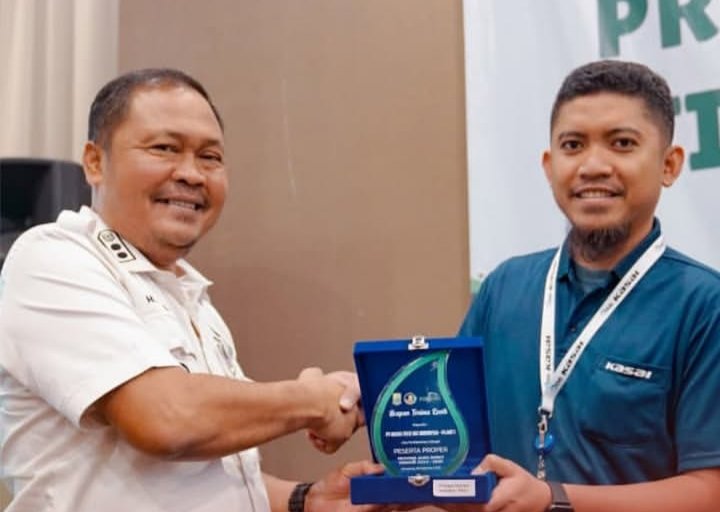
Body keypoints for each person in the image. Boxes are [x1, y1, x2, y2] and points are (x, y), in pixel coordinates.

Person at [0, 69, 384, 512]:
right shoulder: (53, 258)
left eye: (210, 157)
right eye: (164, 148)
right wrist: (312, 401)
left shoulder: (190, 294)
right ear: (94, 162)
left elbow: (204, 478)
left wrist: (305, 500)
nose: (191, 174)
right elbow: (166, 418)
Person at [452, 60, 720, 511]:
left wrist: (553, 499)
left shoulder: (705, 306)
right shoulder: (503, 289)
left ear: (669, 164)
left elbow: (711, 491)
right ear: (549, 165)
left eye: (622, 143)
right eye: (573, 145)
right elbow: (449, 427)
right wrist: (364, 402)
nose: (593, 166)